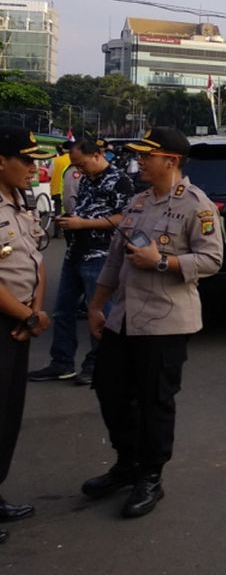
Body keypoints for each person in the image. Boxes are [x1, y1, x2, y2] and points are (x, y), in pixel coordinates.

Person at [82, 127, 224, 518]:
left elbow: (212, 260)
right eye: (139, 155)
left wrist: (162, 261)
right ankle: (126, 463)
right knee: (110, 391)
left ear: (171, 160)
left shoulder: (198, 206)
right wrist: (97, 306)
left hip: (165, 322)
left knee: (154, 402)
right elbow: (115, 259)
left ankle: (150, 476)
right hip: (122, 319)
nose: (139, 161)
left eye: (147, 155)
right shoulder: (139, 202)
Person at [28, 139, 135, 385]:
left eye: (82, 163)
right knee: (63, 311)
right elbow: (87, 208)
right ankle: (61, 363)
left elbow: (124, 219)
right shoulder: (87, 178)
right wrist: (70, 219)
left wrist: (83, 224)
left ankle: (99, 363)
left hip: (101, 256)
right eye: (76, 165)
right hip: (76, 251)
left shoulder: (119, 180)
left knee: (99, 312)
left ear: (97, 155)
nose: (80, 169)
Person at [0, 128, 54, 543]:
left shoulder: (21, 203)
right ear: (1, 160)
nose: (34, 169)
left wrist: (34, 310)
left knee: (8, 415)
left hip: (18, 321)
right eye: (26, 160)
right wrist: (28, 317)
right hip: (8, 321)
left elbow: (36, 259)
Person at [49, 144, 70, 236]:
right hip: (70, 189)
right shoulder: (75, 160)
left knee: (58, 210)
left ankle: (57, 231)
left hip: (57, 189)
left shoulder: (55, 160)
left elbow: (50, 174)